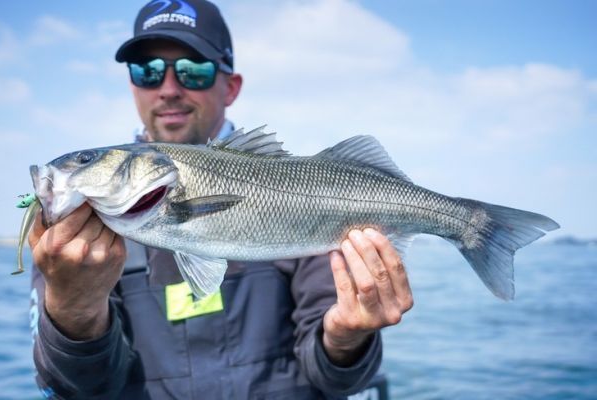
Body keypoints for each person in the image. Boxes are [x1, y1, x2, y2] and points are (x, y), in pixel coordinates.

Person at [28, 1, 413, 398]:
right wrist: (74, 308)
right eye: (148, 71)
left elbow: (333, 377)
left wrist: (347, 338)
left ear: (230, 86)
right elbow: (77, 388)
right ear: (132, 85)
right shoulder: (74, 238)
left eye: (194, 71)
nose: (169, 89)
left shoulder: (308, 193)